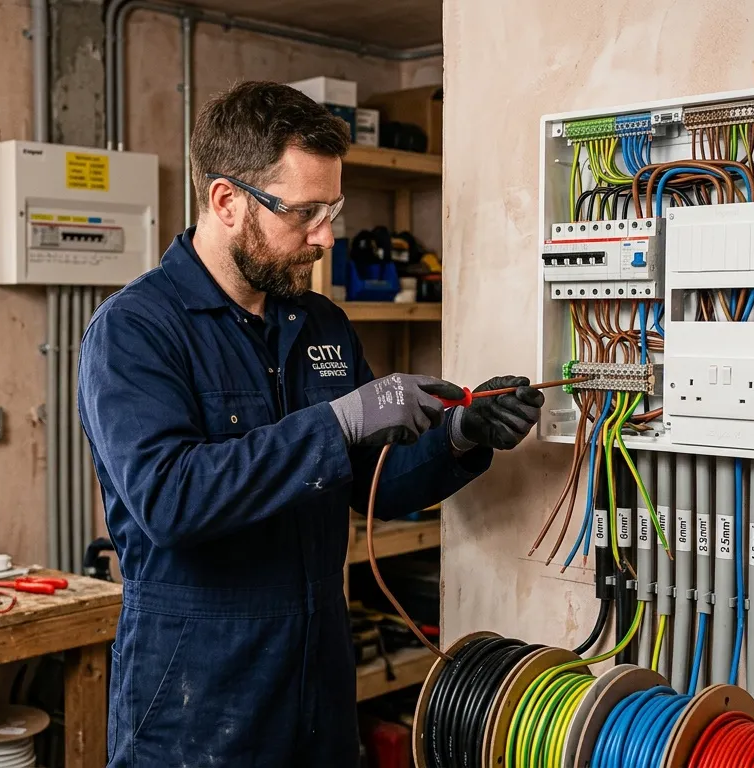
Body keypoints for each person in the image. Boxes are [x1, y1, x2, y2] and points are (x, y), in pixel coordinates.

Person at [77, 80, 545, 767]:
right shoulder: (136, 332)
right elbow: (169, 500)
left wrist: (458, 438)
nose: (325, 237)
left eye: (333, 209)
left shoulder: (318, 321)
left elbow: (371, 484)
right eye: (304, 213)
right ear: (227, 201)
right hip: (195, 702)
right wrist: (343, 419)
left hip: (318, 688)